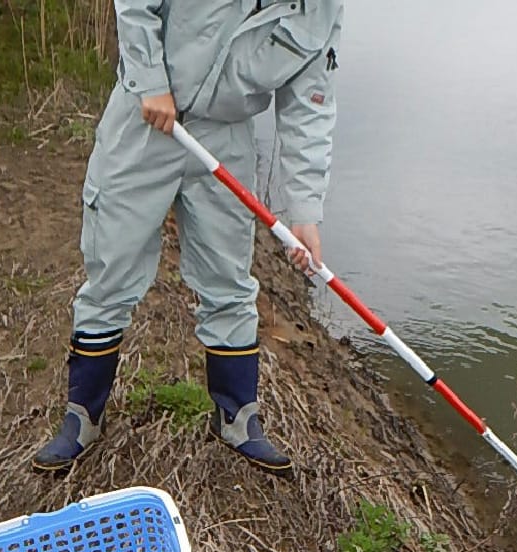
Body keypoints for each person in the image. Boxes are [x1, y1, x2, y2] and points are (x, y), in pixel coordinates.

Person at [33, 0, 344, 476]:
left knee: (229, 280)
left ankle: (237, 418)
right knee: (110, 274)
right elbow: (136, 6)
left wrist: (304, 211)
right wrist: (151, 82)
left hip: (226, 139)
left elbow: (310, 104)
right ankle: (83, 417)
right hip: (144, 119)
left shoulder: (322, 9)